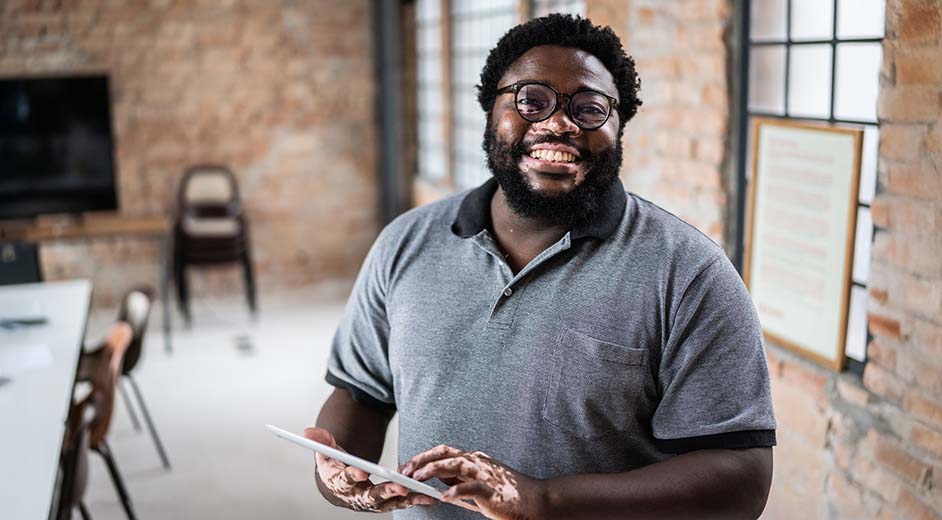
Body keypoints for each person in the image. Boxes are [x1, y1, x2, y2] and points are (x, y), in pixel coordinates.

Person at [304, 14, 776, 519]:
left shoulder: (688, 274)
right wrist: (339, 471)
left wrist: (542, 500)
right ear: (492, 112)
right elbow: (360, 395)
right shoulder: (406, 244)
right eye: (531, 100)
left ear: (619, 127)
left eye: (590, 108)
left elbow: (742, 480)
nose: (558, 124)